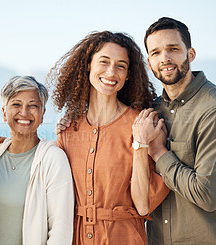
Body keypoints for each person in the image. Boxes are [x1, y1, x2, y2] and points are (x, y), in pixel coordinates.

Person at [141, 17, 216, 244]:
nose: (164, 58)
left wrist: (159, 153)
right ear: (149, 63)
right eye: (155, 53)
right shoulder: (152, 111)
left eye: (173, 49)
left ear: (191, 54)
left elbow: (207, 195)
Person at [48, 31, 169, 244]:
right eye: (104, 62)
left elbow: (143, 205)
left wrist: (140, 144)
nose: (111, 72)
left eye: (121, 66)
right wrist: (5, 145)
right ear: (88, 65)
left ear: (128, 74)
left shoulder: (142, 125)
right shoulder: (67, 130)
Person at [0, 76, 74, 244]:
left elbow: (60, 231)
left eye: (33, 106)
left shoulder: (53, 159)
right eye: (16, 104)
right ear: (4, 112)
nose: (24, 112)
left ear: (42, 115)